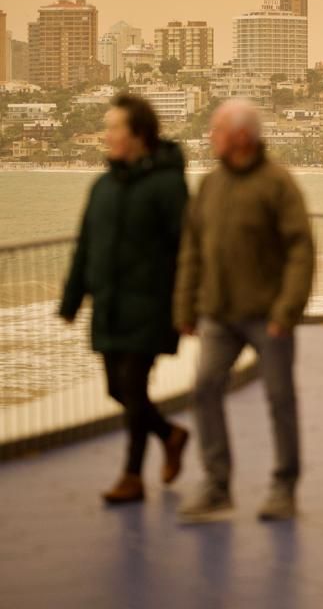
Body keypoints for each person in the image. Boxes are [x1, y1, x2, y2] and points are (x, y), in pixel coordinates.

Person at [174, 98, 315, 523]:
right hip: (218, 315)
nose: (210, 137)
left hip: (268, 316)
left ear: (240, 137)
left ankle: (284, 487)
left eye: (216, 130)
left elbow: (300, 250)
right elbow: (192, 250)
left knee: (279, 399)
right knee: (204, 389)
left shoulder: (277, 184)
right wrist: (185, 307)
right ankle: (217, 487)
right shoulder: (210, 185)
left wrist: (287, 311)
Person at [59, 93, 189, 504]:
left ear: (138, 134)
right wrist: (71, 300)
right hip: (110, 307)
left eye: (114, 127)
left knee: (132, 388)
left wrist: (187, 306)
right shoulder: (102, 187)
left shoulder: (168, 186)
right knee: (117, 389)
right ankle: (170, 434)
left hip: (151, 307)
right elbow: (85, 246)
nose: (107, 134)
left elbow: (187, 249)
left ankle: (132, 476)